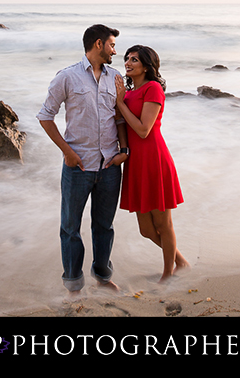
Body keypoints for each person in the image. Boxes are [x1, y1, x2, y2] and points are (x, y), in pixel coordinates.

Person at [37, 24, 129, 293]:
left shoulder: (115, 78)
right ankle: (73, 283)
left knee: (104, 226)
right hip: (78, 166)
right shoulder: (67, 77)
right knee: (70, 227)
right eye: (112, 45)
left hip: (110, 165)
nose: (115, 50)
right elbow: (45, 116)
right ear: (98, 44)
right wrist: (67, 152)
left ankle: (102, 275)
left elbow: (119, 117)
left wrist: (124, 150)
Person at [114, 45, 189, 283]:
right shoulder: (126, 94)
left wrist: (120, 104)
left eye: (134, 59)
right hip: (135, 162)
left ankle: (168, 272)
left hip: (154, 158)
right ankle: (181, 261)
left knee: (163, 223)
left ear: (146, 66)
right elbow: (122, 126)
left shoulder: (153, 88)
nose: (128, 62)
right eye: (127, 58)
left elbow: (144, 130)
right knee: (146, 230)